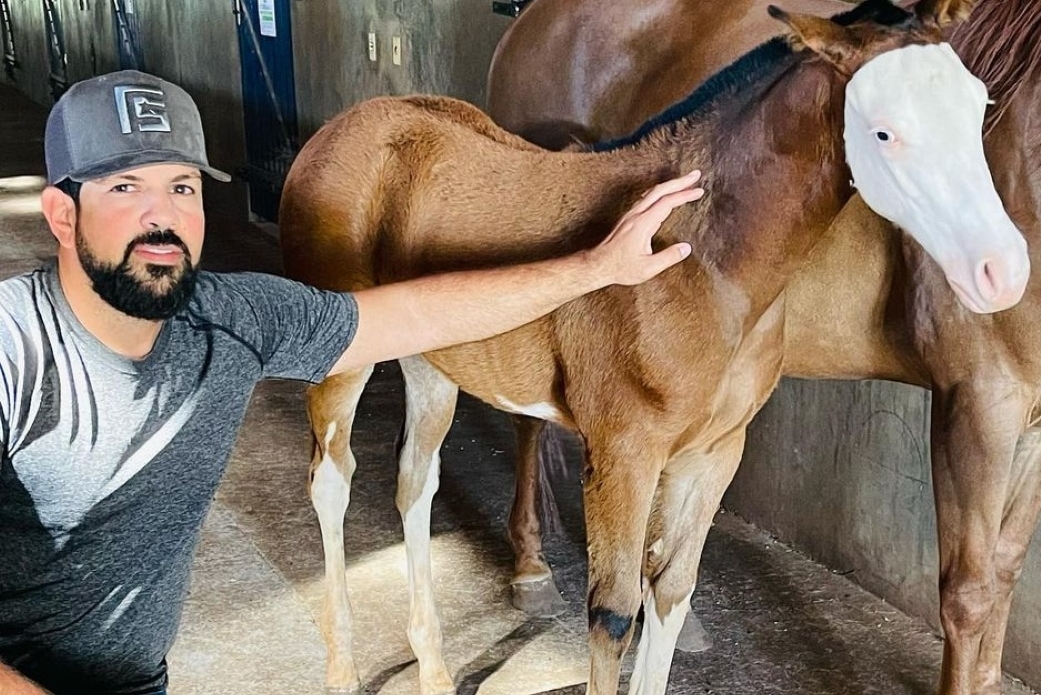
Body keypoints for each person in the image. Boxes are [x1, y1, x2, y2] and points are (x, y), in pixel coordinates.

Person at [0, 70, 703, 695]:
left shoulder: (230, 318)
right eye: (125, 187)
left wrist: (594, 270)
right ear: (62, 214)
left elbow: (414, 311)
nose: (163, 216)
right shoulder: (13, 350)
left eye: (180, 186)